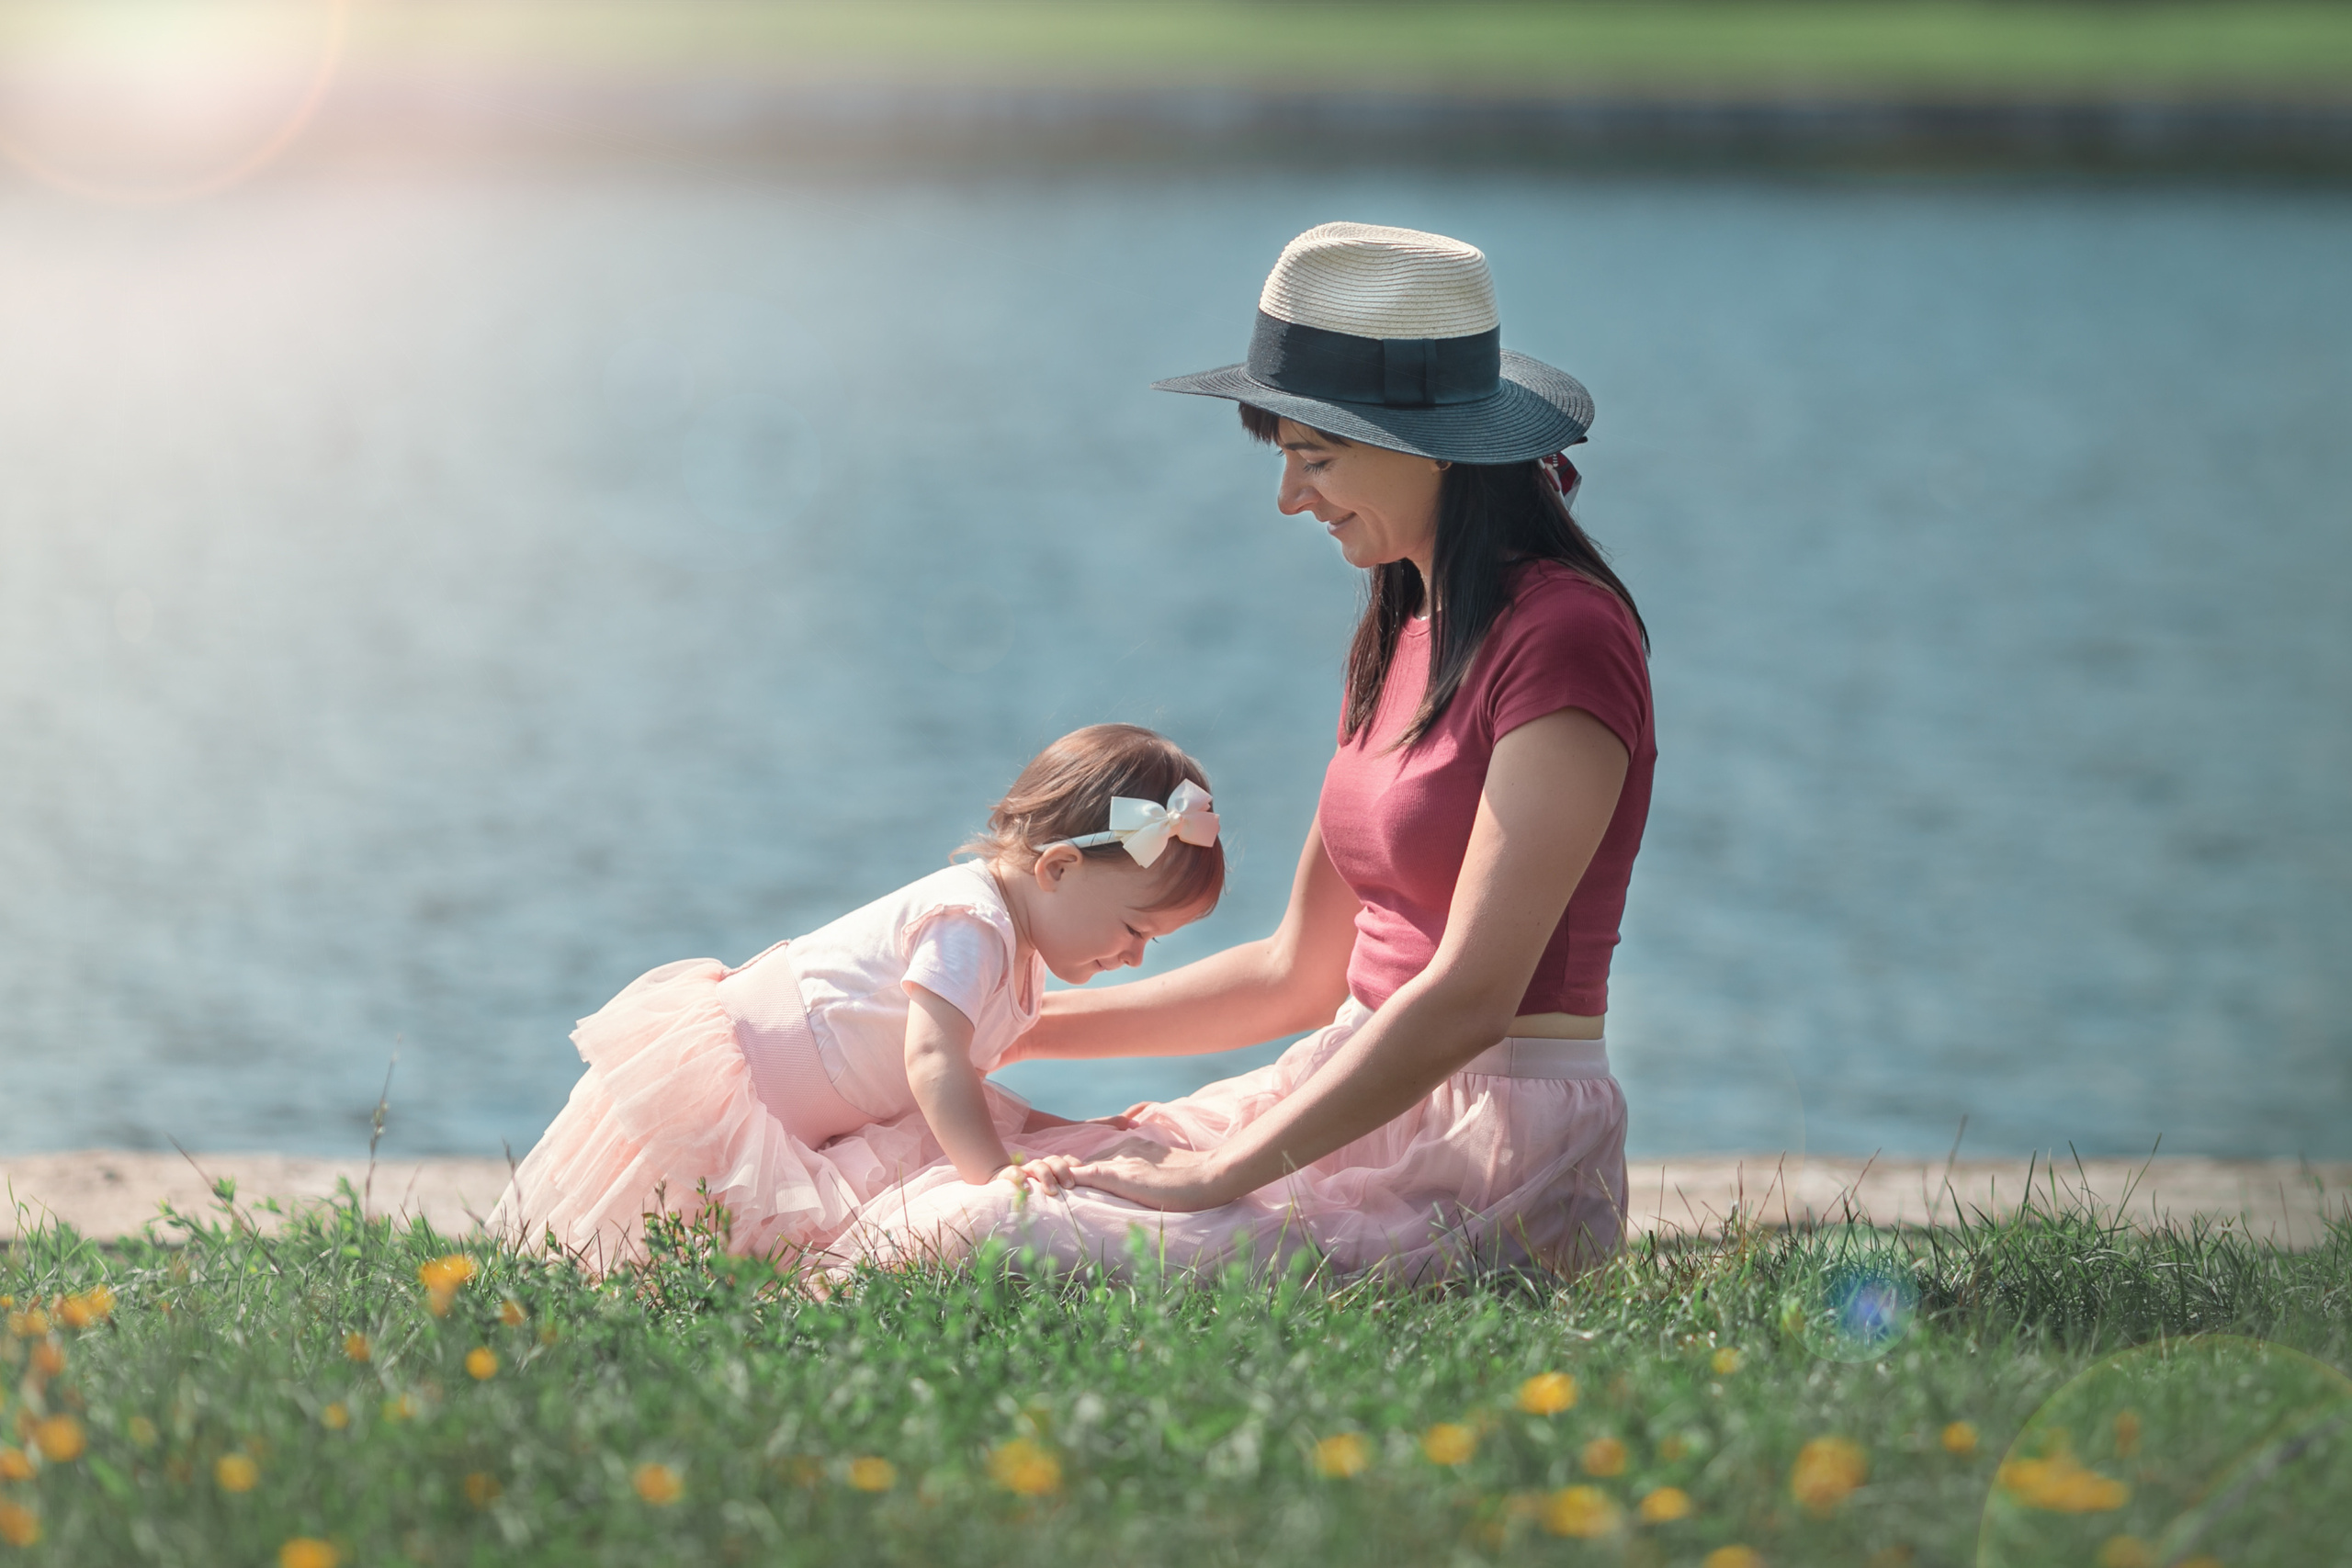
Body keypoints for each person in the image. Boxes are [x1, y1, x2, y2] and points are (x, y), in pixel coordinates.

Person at [844, 222, 1654, 1280]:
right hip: (1353, 1091)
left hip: (1487, 1150)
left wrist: (1214, 1175)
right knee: (925, 1170)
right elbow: (1294, 976)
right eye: (1285, 460)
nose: (1289, 498)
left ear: (1434, 443)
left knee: (975, 1234)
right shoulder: (1406, 625)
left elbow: (1469, 999)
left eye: (1314, 459)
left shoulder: (1565, 637)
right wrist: (1015, 1024)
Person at [492, 724, 1224, 1265]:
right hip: (730, 1096)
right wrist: (996, 1179)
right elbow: (934, 1059)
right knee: (633, 1246)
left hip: (800, 1109)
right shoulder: (972, 922)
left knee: (696, 1259)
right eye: (1134, 929)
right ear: (1058, 869)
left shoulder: (1018, 946)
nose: (1133, 956)